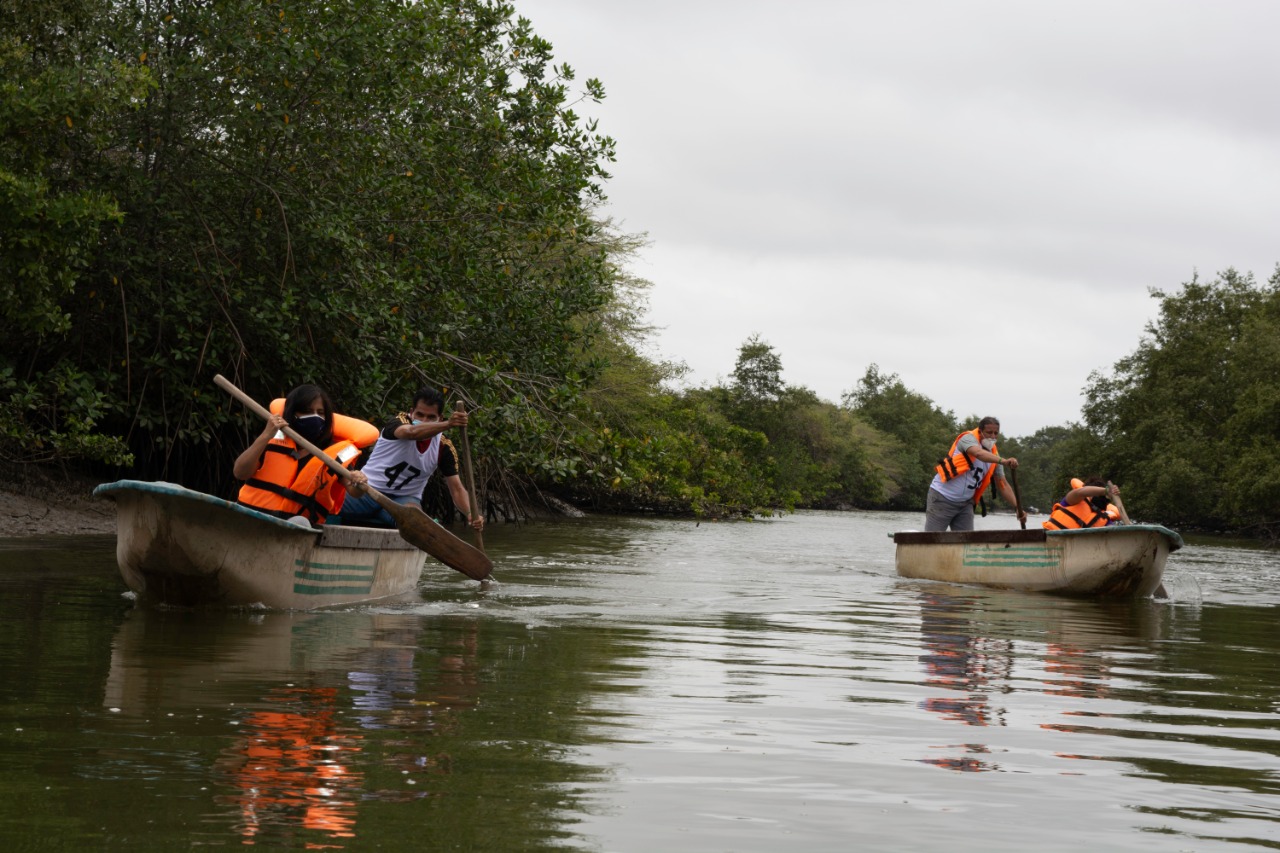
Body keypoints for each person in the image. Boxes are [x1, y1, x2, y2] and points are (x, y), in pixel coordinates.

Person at [331, 386, 484, 531]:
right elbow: (411, 432)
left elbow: (456, 488)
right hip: (366, 492)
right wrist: (449, 424)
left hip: (403, 501)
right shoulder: (399, 422)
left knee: (417, 521)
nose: (424, 420)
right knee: (324, 504)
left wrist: (471, 513)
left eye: (431, 417)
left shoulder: (444, 447)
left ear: (439, 418)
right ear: (411, 412)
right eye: (420, 415)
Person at [233, 384, 377, 525]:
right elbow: (240, 473)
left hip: (294, 531)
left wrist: (359, 483)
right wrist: (265, 435)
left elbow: (354, 491)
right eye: (306, 411)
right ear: (293, 412)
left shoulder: (334, 452)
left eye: (320, 413)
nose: (314, 417)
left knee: (300, 522)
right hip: (250, 518)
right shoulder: (272, 438)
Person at [925, 416, 1026, 531]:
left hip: (965, 504)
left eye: (996, 433)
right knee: (932, 539)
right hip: (942, 498)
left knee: (965, 543)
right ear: (980, 431)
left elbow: (1003, 484)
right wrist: (1003, 461)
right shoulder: (967, 439)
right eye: (989, 432)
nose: (993, 437)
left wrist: (1018, 507)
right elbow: (978, 453)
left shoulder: (994, 455)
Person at [1042, 478, 1121, 530]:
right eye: (1095, 492)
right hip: (1051, 540)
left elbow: (1112, 533)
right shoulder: (1074, 499)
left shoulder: (1105, 519)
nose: (1098, 495)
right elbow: (1081, 492)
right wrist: (1106, 491)